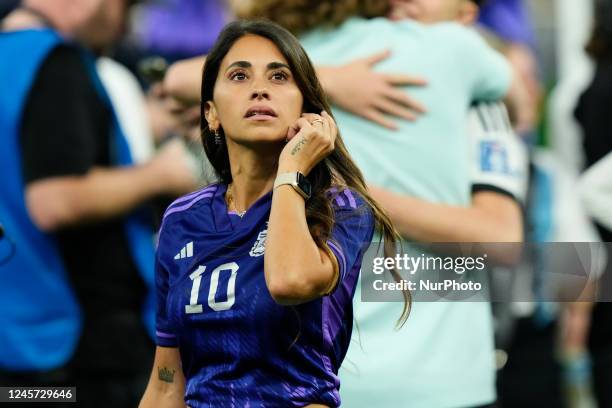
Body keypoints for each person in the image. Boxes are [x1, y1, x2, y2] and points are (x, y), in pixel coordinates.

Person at [239, 1, 526, 407]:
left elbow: (180, 86)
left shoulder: (260, 77)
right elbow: (520, 94)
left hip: (310, 380)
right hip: (445, 381)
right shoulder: (452, 49)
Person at [139, 20, 403, 408]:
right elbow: (166, 384)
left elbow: (289, 280)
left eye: (280, 76)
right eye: (239, 75)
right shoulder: (182, 219)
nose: (259, 88)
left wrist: (291, 169)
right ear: (210, 112)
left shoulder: (339, 209)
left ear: (306, 109)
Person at [0, 1, 195, 406]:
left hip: (20, 344)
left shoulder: (12, 60)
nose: (124, 26)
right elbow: (54, 200)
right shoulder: (54, 60)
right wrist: (163, 174)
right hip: (72, 353)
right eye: (124, 6)